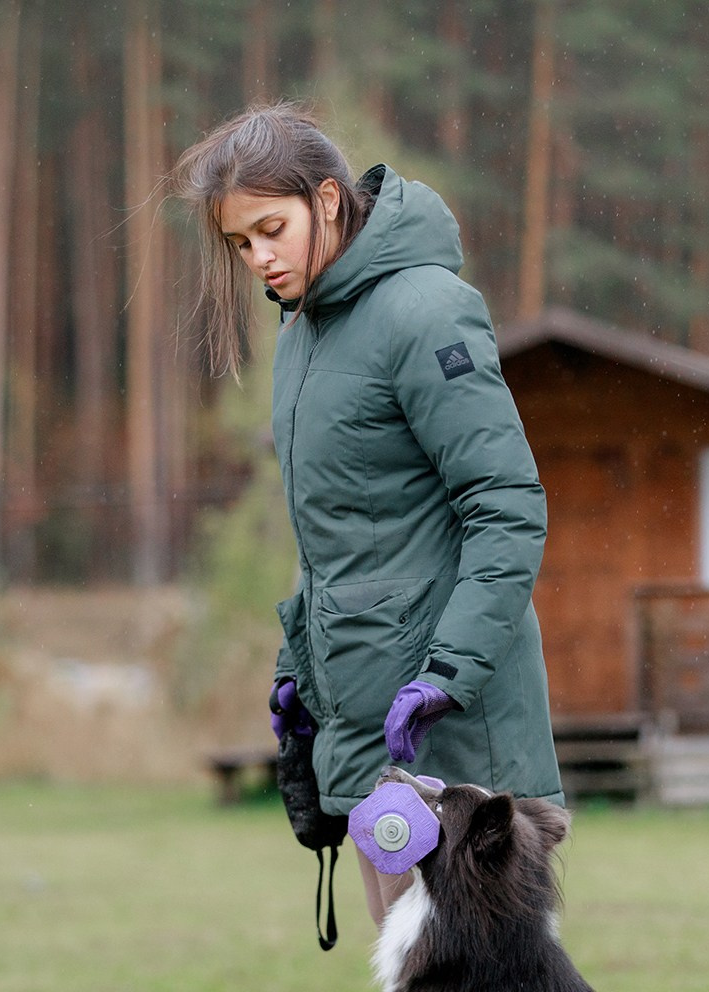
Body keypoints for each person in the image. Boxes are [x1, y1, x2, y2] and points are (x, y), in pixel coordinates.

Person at [176, 104, 563, 929]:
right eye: (240, 244)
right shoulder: (304, 337)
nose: (258, 259)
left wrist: (446, 675)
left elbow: (507, 507)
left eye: (270, 229)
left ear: (326, 199)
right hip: (366, 742)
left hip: (460, 752)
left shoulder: (425, 311)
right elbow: (335, 544)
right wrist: (298, 668)